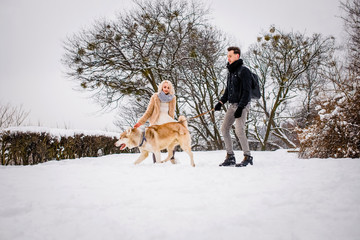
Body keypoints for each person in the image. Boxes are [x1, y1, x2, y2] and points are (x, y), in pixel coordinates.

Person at [214, 46, 253, 167]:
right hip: (232, 105)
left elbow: (247, 92)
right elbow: (228, 90)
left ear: (237, 56)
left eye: (230, 56)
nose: (228, 58)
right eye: (227, 56)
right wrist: (220, 102)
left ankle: (248, 156)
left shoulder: (244, 71)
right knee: (224, 128)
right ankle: (230, 156)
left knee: (239, 130)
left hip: (243, 105)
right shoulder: (230, 72)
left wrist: (241, 108)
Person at [134, 80, 176, 163]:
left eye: (168, 87)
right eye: (165, 87)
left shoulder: (173, 98)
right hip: (156, 121)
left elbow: (172, 112)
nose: (166, 89)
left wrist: (172, 123)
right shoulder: (155, 96)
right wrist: (140, 122)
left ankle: (172, 159)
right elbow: (149, 111)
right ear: (161, 87)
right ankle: (156, 163)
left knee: (172, 140)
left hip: (166, 121)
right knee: (154, 143)